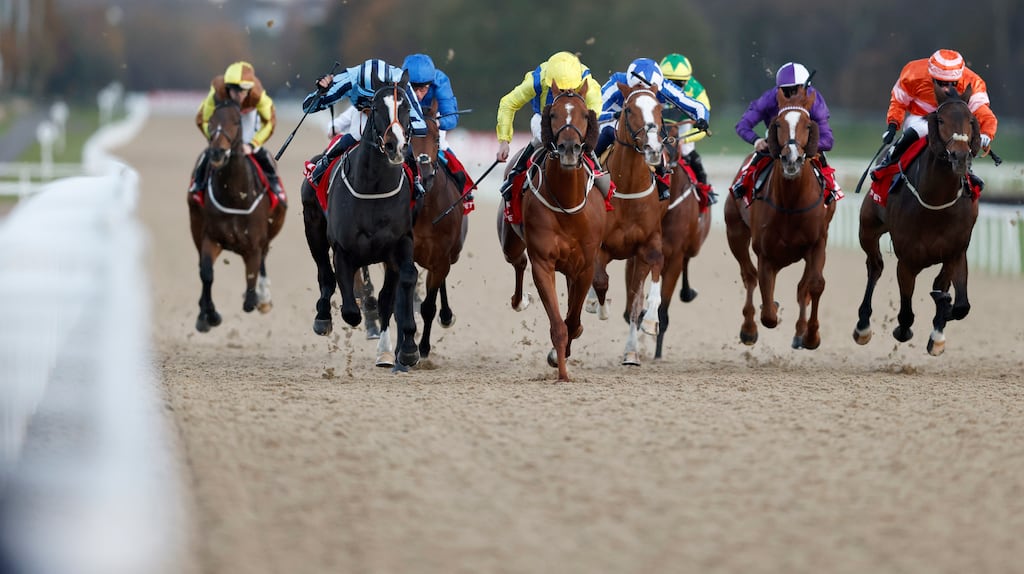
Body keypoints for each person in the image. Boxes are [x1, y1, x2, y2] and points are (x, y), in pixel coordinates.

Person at [871, 49, 996, 189]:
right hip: (921, 117)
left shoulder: (973, 82)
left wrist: (986, 132)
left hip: (952, 123)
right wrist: (893, 126)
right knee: (921, 129)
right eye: (941, 83)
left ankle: (967, 174)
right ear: (932, 76)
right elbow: (899, 101)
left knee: (963, 136)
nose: (946, 89)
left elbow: (983, 112)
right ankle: (888, 162)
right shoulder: (913, 73)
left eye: (952, 84)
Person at [302, 58, 428, 192]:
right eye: (370, 96)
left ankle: (415, 179)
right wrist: (321, 92)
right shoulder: (349, 79)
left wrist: (401, 129)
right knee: (356, 134)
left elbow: (421, 126)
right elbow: (307, 107)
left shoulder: (399, 79)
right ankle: (324, 164)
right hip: (365, 113)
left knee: (401, 142)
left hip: (390, 116)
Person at [495, 51, 606, 202]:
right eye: (560, 90)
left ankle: (600, 177)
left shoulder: (587, 81)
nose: (566, 93)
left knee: (582, 143)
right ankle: (515, 176)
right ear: (550, 82)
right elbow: (508, 103)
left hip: (575, 120)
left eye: (572, 89)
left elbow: (594, 112)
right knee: (541, 140)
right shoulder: (537, 79)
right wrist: (504, 141)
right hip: (544, 119)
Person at [594, 57, 710, 201]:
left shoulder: (663, 86)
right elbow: (593, 111)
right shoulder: (617, 82)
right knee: (607, 132)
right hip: (616, 119)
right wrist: (614, 115)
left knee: (660, 139)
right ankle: (590, 169)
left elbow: (698, 106)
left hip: (645, 122)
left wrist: (702, 118)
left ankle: (661, 180)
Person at [731, 62, 840, 203]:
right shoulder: (769, 98)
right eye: (786, 91)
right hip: (776, 143)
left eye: (797, 90)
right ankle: (743, 183)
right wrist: (756, 140)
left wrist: (805, 146)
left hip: (805, 145)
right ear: (779, 89)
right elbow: (743, 125)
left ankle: (831, 189)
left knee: (822, 162)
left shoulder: (815, 101)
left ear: (806, 87)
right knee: (754, 161)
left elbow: (828, 140)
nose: (792, 96)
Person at [190, 61, 284, 203]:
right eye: (235, 91)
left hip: (248, 117)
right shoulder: (217, 91)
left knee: (257, 151)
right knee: (211, 151)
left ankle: (275, 185)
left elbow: (270, 122)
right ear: (228, 88)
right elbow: (201, 119)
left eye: (243, 91)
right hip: (225, 117)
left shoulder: (257, 95)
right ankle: (198, 184)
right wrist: (215, 138)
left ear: (250, 89)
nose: (239, 96)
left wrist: (253, 144)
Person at [402, 53, 474, 208]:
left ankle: (463, 185)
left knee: (443, 145)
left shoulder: (441, 81)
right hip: (406, 120)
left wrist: (436, 123)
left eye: (423, 89)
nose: (418, 95)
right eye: (414, 89)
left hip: (433, 121)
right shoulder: (398, 81)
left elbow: (451, 118)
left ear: (431, 83)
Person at [659, 53, 715, 203]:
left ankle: (705, 189)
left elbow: (703, 127)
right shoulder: (654, 85)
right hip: (660, 124)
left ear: (687, 80)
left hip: (684, 127)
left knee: (686, 150)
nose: (673, 87)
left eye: (679, 83)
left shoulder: (698, 91)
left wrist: (686, 140)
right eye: (669, 81)